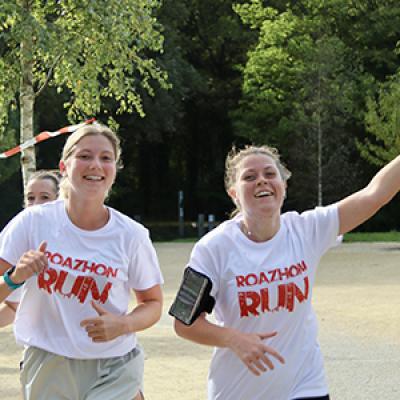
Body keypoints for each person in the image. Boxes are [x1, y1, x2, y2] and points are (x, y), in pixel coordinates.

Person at [171, 144, 400, 400]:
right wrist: (234, 339)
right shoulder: (212, 249)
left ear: (284, 185)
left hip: (306, 385)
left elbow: (374, 194)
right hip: (240, 391)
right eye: (249, 177)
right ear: (234, 193)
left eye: (270, 174)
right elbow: (184, 322)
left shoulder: (306, 230)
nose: (261, 181)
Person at [0, 124, 163, 400]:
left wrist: (124, 324)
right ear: (64, 166)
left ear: (114, 169)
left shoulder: (131, 235)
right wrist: (14, 277)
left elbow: (153, 303)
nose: (95, 165)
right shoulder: (32, 223)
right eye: (85, 156)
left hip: (115, 363)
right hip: (48, 362)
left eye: (106, 158)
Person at [0, 170, 60, 328]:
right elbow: (12, 305)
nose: (35, 204)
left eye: (44, 197)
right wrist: (13, 279)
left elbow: (14, 308)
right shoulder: (19, 228)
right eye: (30, 198)